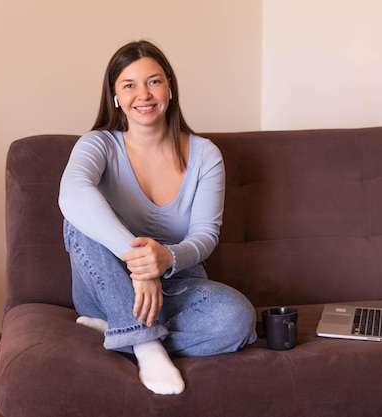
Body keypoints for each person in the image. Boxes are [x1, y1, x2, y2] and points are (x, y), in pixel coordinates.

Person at [58, 40, 257, 395]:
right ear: (115, 96)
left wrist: (166, 258)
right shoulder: (98, 144)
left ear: (169, 87)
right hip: (105, 287)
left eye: (154, 81)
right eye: (129, 85)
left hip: (176, 283)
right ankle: (145, 342)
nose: (143, 94)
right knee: (79, 216)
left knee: (237, 319)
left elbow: (206, 235)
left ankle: (118, 331)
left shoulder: (205, 155)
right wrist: (139, 265)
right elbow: (72, 194)